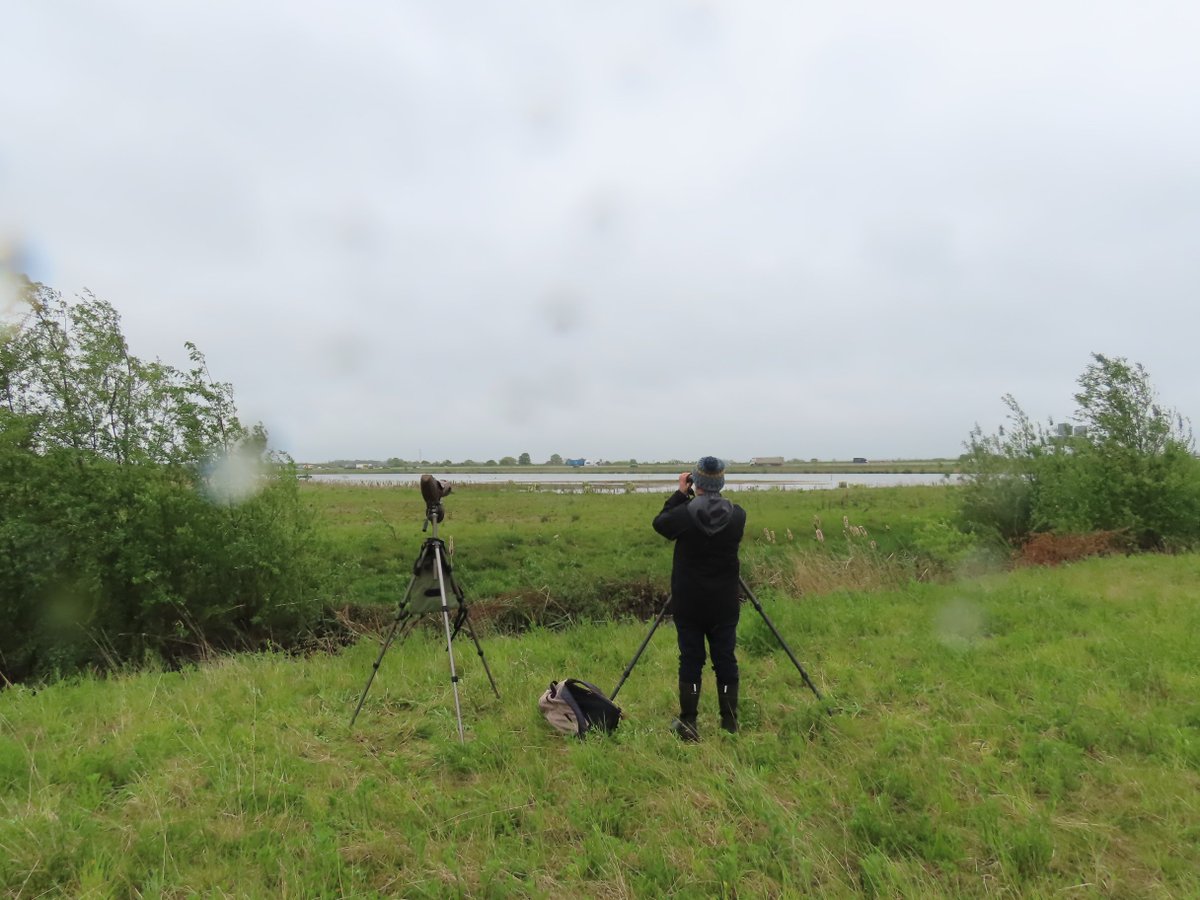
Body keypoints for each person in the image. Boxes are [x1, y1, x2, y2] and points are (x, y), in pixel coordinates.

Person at [652, 456, 747, 741]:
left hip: (689, 601)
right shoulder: (738, 514)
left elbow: (661, 524)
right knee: (725, 660)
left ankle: (689, 724)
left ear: (697, 481)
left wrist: (681, 494)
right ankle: (729, 724)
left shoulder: (684, 513)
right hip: (725, 602)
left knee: (691, 661)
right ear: (721, 482)